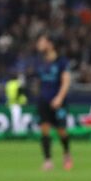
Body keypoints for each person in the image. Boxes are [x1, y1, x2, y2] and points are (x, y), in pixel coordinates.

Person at [34, 35, 73, 171]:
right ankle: (48, 160)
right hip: (43, 100)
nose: (39, 45)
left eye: (42, 42)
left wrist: (60, 98)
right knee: (44, 129)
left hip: (58, 100)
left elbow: (66, 81)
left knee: (61, 130)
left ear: (50, 44)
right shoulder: (39, 62)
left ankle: (67, 153)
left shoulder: (61, 62)